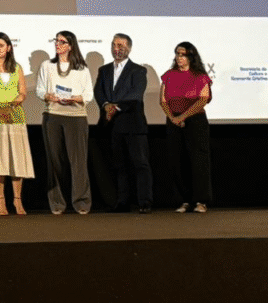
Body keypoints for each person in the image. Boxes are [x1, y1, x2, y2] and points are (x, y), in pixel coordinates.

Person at [36, 30, 93, 215]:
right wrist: (48, 96)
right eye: (56, 41)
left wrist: (76, 98)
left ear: (70, 46)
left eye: (62, 42)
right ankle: (57, 203)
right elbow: (39, 90)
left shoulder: (82, 69)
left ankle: (81, 201)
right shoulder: (47, 66)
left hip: (76, 118)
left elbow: (88, 95)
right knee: (55, 162)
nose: (57, 44)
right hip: (53, 116)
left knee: (78, 162)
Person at [94, 32, 152, 213]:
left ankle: (144, 202)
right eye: (114, 45)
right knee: (119, 165)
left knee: (140, 164)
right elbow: (98, 92)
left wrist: (115, 107)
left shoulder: (138, 70)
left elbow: (136, 95)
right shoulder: (104, 70)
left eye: (120, 45)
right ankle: (123, 202)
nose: (116, 49)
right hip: (113, 126)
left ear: (129, 48)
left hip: (133, 124)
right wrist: (106, 105)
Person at [0, 32, 33, 215]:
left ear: (9, 47)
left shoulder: (16, 67)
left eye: (1, 45)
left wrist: (10, 107)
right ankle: (0, 200)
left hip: (15, 117)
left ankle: (17, 200)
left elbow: (22, 92)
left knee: (17, 159)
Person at [160, 41, 213, 213]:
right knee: (177, 161)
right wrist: (173, 118)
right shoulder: (168, 75)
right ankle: (184, 200)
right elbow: (163, 101)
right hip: (174, 121)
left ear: (191, 57)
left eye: (183, 54)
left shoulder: (200, 76)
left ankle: (200, 201)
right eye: (177, 54)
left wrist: (183, 117)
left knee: (198, 161)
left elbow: (203, 100)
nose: (179, 57)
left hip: (195, 121)